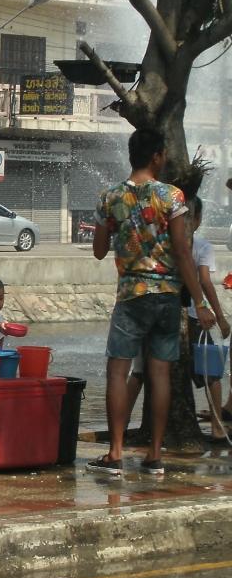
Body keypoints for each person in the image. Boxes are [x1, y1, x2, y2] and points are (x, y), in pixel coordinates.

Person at [91, 128, 213, 476]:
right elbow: (183, 252)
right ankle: (155, 455)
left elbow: (99, 251)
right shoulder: (171, 196)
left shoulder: (110, 197)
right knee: (160, 373)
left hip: (131, 295)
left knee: (118, 371)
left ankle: (115, 452)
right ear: (157, 156)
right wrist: (200, 303)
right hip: (167, 297)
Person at [182, 197, 230, 438]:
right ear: (198, 219)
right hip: (195, 316)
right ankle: (217, 427)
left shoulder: (168, 245)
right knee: (212, 372)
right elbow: (205, 281)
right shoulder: (202, 246)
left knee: (170, 370)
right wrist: (220, 317)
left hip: (172, 315)